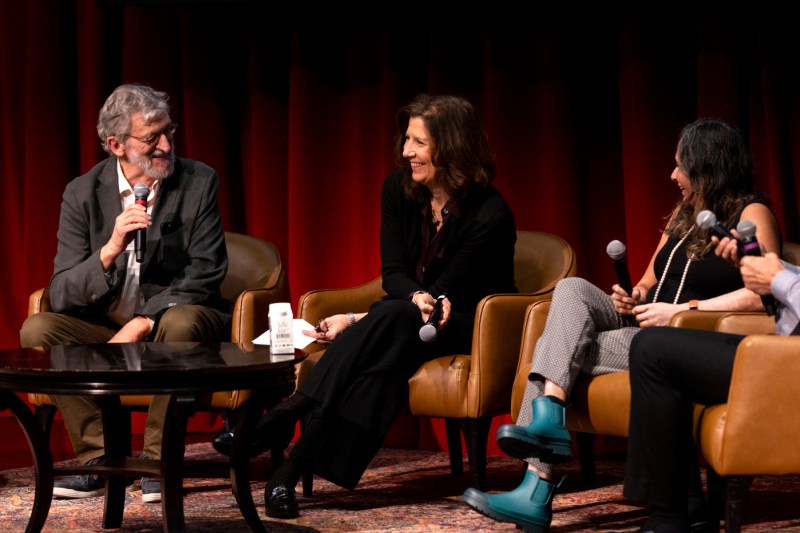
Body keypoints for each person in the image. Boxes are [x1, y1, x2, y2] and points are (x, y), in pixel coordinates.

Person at [462, 118, 782, 532]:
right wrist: (635, 297)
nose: (672, 175)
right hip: (648, 323)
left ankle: (536, 485)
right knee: (573, 289)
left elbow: (763, 292)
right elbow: (649, 282)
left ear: (707, 166)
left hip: (691, 337)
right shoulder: (685, 214)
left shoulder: (752, 213)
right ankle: (551, 416)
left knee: (556, 348)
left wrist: (685, 309)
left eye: (680, 166)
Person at [213, 93, 517, 519]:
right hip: (407, 320)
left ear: (452, 146)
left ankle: (288, 412)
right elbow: (393, 274)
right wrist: (379, 310)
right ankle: (288, 471)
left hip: (469, 323)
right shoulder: (398, 190)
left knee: (396, 317)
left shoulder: (490, 213)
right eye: (406, 138)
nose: (407, 151)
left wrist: (360, 319)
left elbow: (444, 293)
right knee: (383, 365)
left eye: (420, 142)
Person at [19, 83, 230, 504]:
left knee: (182, 319)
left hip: (173, 322)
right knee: (38, 328)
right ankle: (98, 458)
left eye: (169, 131)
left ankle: (157, 459)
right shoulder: (82, 193)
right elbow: (60, 291)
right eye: (152, 138)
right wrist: (110, 249)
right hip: (105, 327)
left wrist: (143, 320)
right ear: (116, 144)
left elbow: (206, 270)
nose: (166, 145)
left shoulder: (198, 181)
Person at [623, 231, 798, 533]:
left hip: (785, 363)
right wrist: (762, 269)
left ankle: (670, 517)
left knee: (653, 350)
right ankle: (683, 507)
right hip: (780, 350)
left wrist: (779, 278)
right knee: (655, 348)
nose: (673, 178)